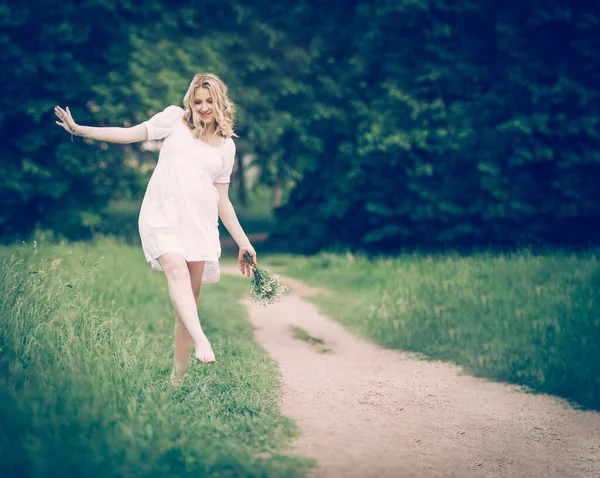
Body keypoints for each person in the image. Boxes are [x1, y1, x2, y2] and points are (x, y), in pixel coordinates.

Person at [54, 73, 257, 384]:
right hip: (161, 214)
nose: (202, 108)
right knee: (175, 269)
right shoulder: (175, 120)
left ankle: (177, 380)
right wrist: (80, 130)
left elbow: (223, 201)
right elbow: (129, 134)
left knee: (188, 300)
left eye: (209, 101)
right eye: (198, 101)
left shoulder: (226, 147)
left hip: (198, 223)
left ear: (220, 101)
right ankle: (202, 340)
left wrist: (243, 242)